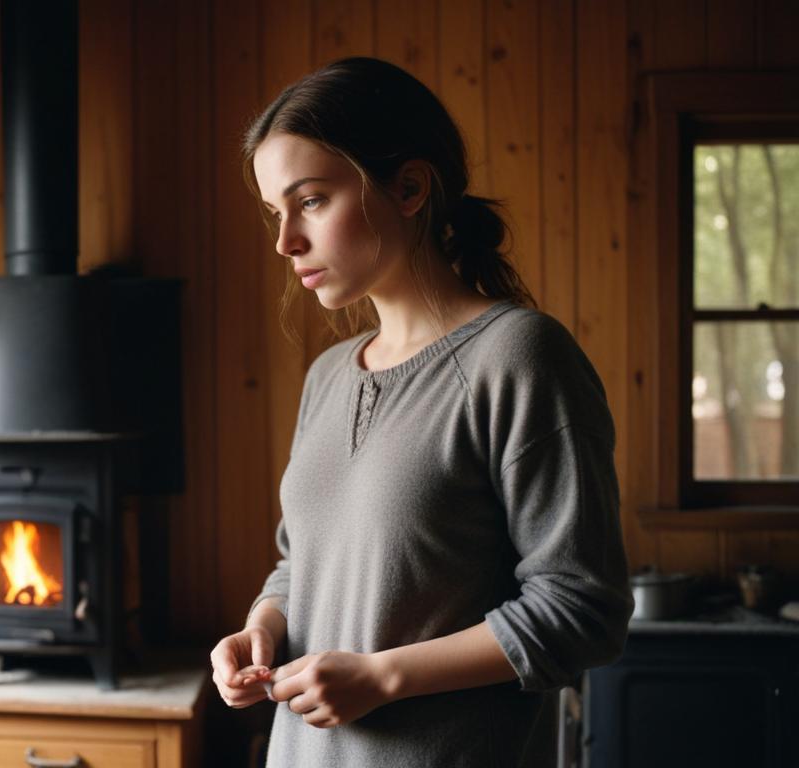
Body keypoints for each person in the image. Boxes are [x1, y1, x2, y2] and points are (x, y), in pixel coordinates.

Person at [208, 57, 635, 767]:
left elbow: (581, 608)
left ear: (409, 187)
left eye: (310, 201)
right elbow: (302, 563)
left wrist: (385, 677)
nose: (285, 241)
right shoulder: (327, 378)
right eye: (274, 212)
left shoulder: (520, 357)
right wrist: (262, 626)